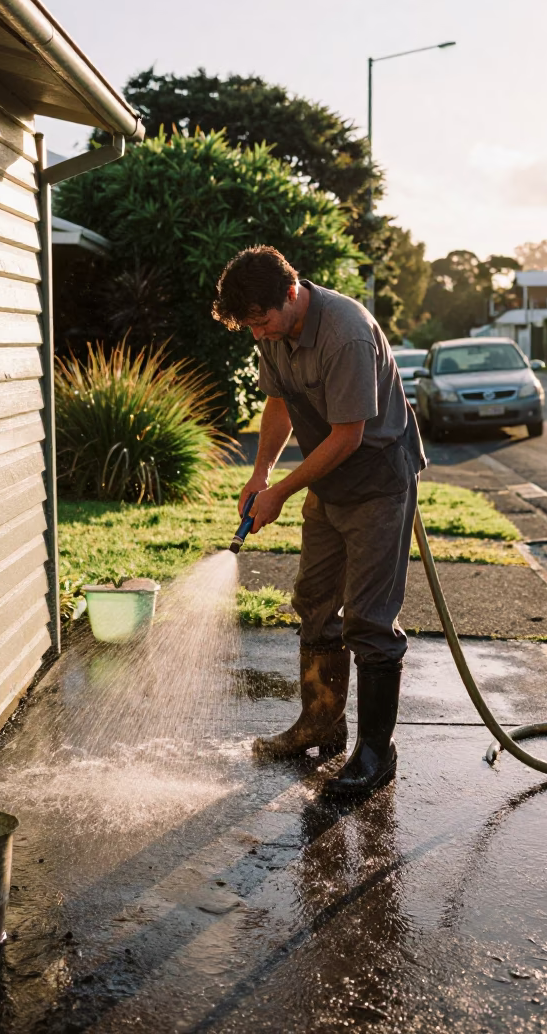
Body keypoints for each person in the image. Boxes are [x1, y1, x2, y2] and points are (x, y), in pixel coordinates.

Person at [212, 246, 425, 796]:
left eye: (262, 321)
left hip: (377, 480)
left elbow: (349, 435)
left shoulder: (346, 332)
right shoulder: (273, 332)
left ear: (291, 293)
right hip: (328, 481)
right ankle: (321, 723)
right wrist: (261, 475)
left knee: (369, 620)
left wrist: (282, 492)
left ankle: (377, 754)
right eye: (249, 327)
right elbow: (279, 405)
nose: (258, 334)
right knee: (314, 602)